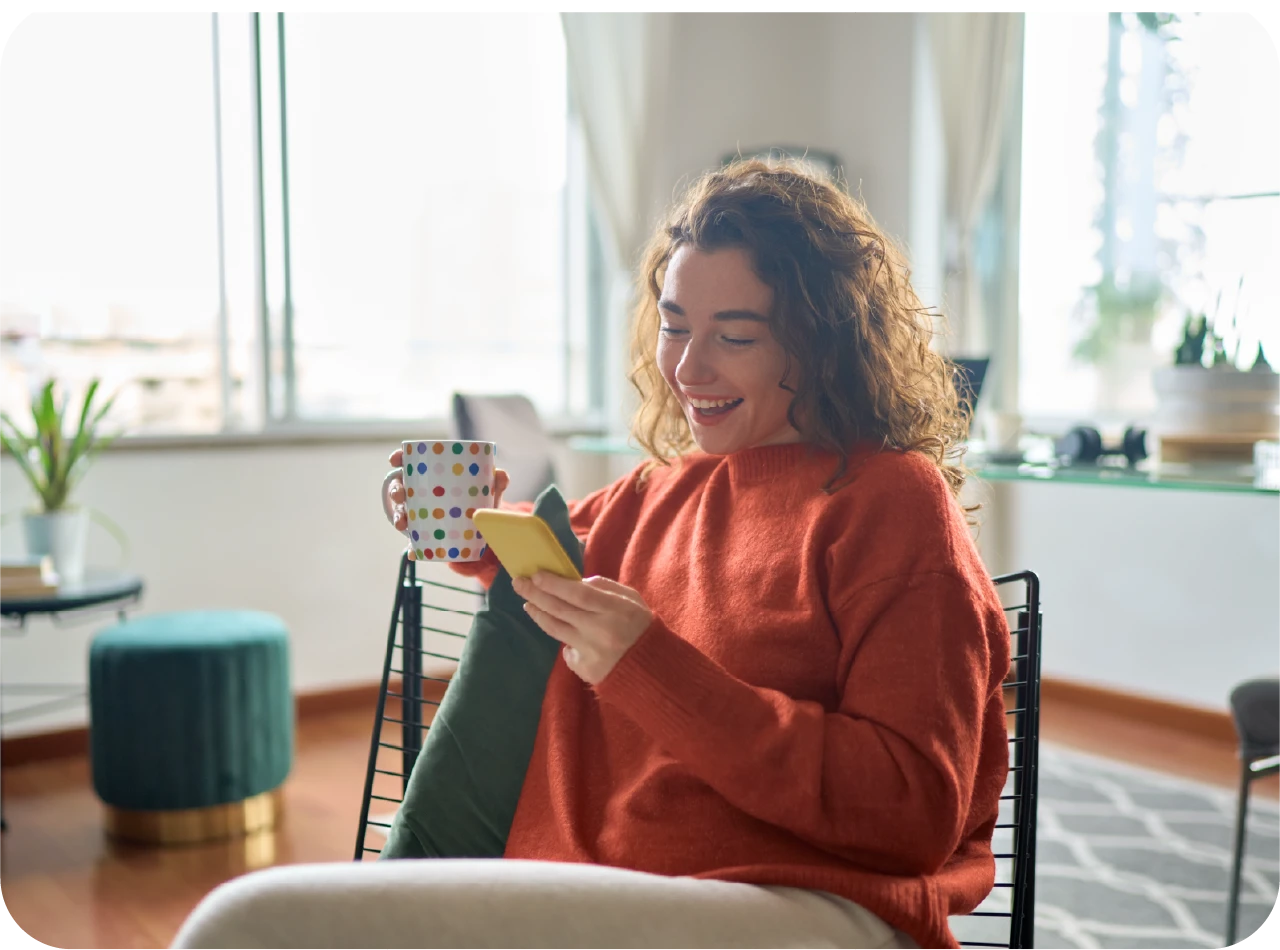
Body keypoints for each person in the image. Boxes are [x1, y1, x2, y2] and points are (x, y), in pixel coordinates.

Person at [172, 159, 1010, 950]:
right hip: (618, 886)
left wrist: (646, 663)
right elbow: (555, 559)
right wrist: (473, 528)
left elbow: (910, 811)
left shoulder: (891, 502)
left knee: (246, 925)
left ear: (822, 342)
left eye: (736, 336)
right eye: (675, 326)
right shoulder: (663, 489)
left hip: (805, 904)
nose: (686, 366)